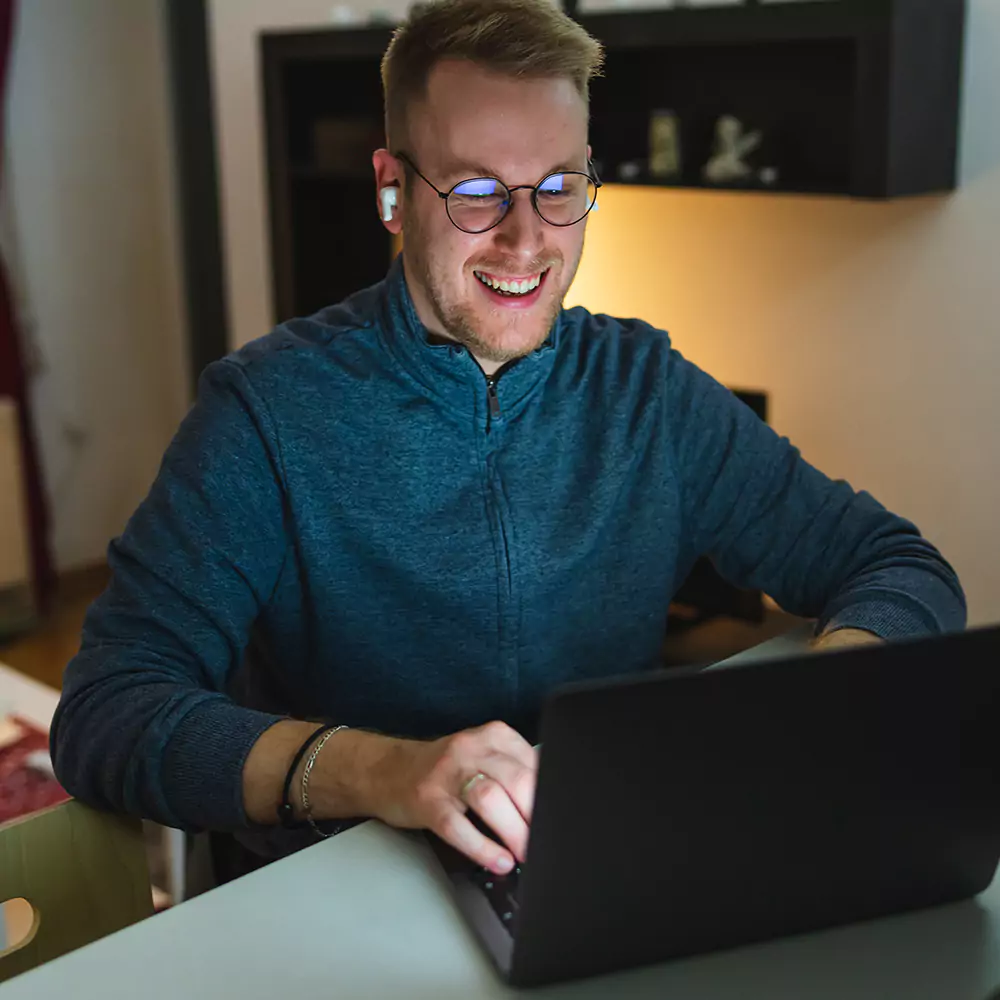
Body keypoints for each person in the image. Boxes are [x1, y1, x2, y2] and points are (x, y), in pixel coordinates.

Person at [51, 0, 965, 885]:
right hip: (332, 895)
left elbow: (897, 564)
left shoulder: (646, 392)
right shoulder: (264, 414)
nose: (528, 240)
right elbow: (107, 715)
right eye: (478, 191)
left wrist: (824, 697)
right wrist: (385, 773)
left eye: (560, 187)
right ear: (392, 190)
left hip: (593, 872)